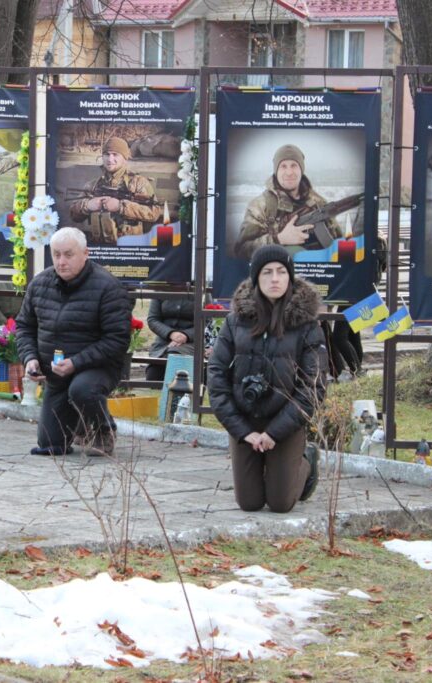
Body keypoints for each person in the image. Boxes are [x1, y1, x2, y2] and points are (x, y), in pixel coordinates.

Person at [207, 245, 326, 513]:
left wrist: (275, 432)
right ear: (256, 279)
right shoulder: (235, 321)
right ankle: (264, 460)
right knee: (249, 503)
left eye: (281, 272)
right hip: (245, 419)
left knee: (281, 503)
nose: (275, 279)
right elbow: (215, 376)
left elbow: (313, 387)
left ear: (290, 277)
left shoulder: (307, 325)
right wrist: (242, 431)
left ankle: (305, 463)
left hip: (285, 419)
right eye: (267, 272)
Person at [15, 227, 132, 457]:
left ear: (86, 253)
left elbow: (117, 340)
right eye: (56, 254)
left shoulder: (108, 287)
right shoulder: (40, 284)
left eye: (68, 255)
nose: (61, 262)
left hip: (97, 367)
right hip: (56, 372)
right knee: (50, 444)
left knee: (82, 390)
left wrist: (76, 363)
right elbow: (25, 326)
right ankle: (78, 423)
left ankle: (103, 429)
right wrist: (30, 358)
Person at [234, 144, 342, 260]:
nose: (289, 172)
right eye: (283, 166)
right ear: (276, 171)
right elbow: (242, 251)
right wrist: (279, 239)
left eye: (294, 165)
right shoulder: (260, 206)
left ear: (301, 169)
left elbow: (337, 243)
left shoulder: (318, 202)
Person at [68, 137, 162, 245]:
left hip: (129, 248)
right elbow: (73, 215)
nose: (110, 159)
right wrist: (88, 205)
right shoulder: (93, 185)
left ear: (125, 158)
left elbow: (154, 212)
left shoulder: (138, 183)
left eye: (115, 154)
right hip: (100, 247)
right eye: (107, 154)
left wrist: (121, 207)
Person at [145, 291, 211, 382]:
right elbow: (153, 319)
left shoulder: (203, 291)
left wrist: (186, 335)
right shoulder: (161, 289)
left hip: (192, 341)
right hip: (164, 342)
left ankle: (189, 384)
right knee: (154, 375)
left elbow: (206, 320)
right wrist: (171, 333)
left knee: (174, 357)